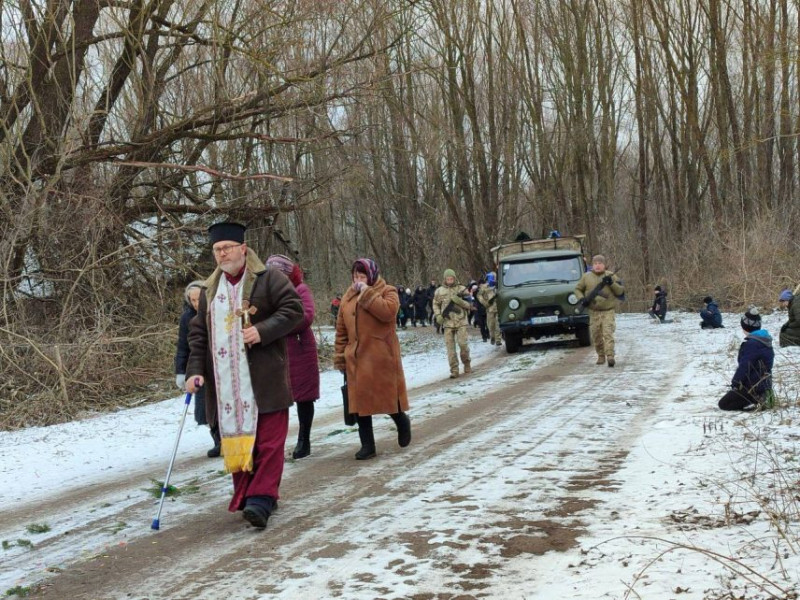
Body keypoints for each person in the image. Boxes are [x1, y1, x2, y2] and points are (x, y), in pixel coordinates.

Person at [185, 222, 304, 529]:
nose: (222, 254)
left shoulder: (268, 279)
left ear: (242, 248)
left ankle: (261, 500)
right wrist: (194, 371)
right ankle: (251, 496)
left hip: (264, 381)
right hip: (226, 387)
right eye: (216, 250)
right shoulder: (210, 290)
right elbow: (198, 335)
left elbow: (294, 310)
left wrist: (261, 331)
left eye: (226, 247)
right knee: (239, 443)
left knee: (268, 443)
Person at [333, 258, 411, 460]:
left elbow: (388, 312)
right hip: (356, 359)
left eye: (362, 276)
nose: (358, 280)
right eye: (355, 276)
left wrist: (367, 293)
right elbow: (341, 331)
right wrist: (341, 357)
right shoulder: (347, 298)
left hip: (380, 357)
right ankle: (367, 445)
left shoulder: (388, 291)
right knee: (359, 405)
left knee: (384, 399)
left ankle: (401, 421)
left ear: (371, 276)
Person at [266, 254, 320, 460]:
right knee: (277, 399)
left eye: (278, 273)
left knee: (304, 398)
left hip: (300, 349)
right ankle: (275, 442)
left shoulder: (301, 290)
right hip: (275, 352)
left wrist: (275, 324)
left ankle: (304, 440)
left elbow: (305, 316)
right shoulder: (266, 295)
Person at [174, 280, 219, 457]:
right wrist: (181, 371)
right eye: (192, 300)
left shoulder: (216, 310)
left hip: (218, 362)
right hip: (198, 366)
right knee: (205, 408)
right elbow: (183, 345)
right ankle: (217, 440)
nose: (196, 303)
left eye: (198, 298)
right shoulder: (187, 318)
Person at [719, 308, 774, 410]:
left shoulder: (752, 344)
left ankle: (755, 401)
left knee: (723, 404)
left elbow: (745, 367)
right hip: (764, 385)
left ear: (745, 326)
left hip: (753, 387)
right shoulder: (765, 340)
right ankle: (758, 398)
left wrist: (735, 383)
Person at [574, 255, 625, 367]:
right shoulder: (586, 277)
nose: (597, 265)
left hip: (608, 310)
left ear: (604, 265)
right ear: (592, 265)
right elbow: (577, 289)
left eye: (600, 263)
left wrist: (611, 283)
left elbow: (620, 291)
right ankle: (601, 355)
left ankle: (610, 356)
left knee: (608, 333)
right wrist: (582, 299)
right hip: (594, 311)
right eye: (595, 263)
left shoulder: (611, 275)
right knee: (596, 335)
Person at [433, 269, 473, 378]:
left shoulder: (461, 289)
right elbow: (435, 304)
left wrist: (459, 301)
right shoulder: (439, 291)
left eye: (451, 278)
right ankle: (454, 370)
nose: (450, 281)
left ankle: (467, 363)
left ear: (454, 278)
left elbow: (470, 304)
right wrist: (438, 315)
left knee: (463, 345)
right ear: (444, 279)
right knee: (450, 349)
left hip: (461, 321)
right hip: (447, 323)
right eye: (448, 279)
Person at [477, 272, 501, 346]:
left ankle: (498, 340)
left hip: (498, 308)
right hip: (489, 308)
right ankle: (492, 337)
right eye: (491, 277)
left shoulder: (498, 285)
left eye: (494, 277)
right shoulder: (484, 287)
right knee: (491, 325)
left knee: (498, 324)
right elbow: (479, 295)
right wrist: (484, 303)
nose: (493, 279)